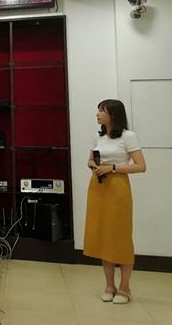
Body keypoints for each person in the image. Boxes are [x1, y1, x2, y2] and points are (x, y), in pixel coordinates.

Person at [84, 99, 146, 304]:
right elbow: (90, 159)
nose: (97, 114)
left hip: (118, 188)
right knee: (104, 235)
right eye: (98, 110)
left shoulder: (129, 136)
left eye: (102, 110)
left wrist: (112, 168)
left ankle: (125, 287)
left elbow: (140, 166)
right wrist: (93, 165)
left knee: (120, 236)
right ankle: (109, 285)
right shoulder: (98, 136)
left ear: (113, 114)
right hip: (98, 187)